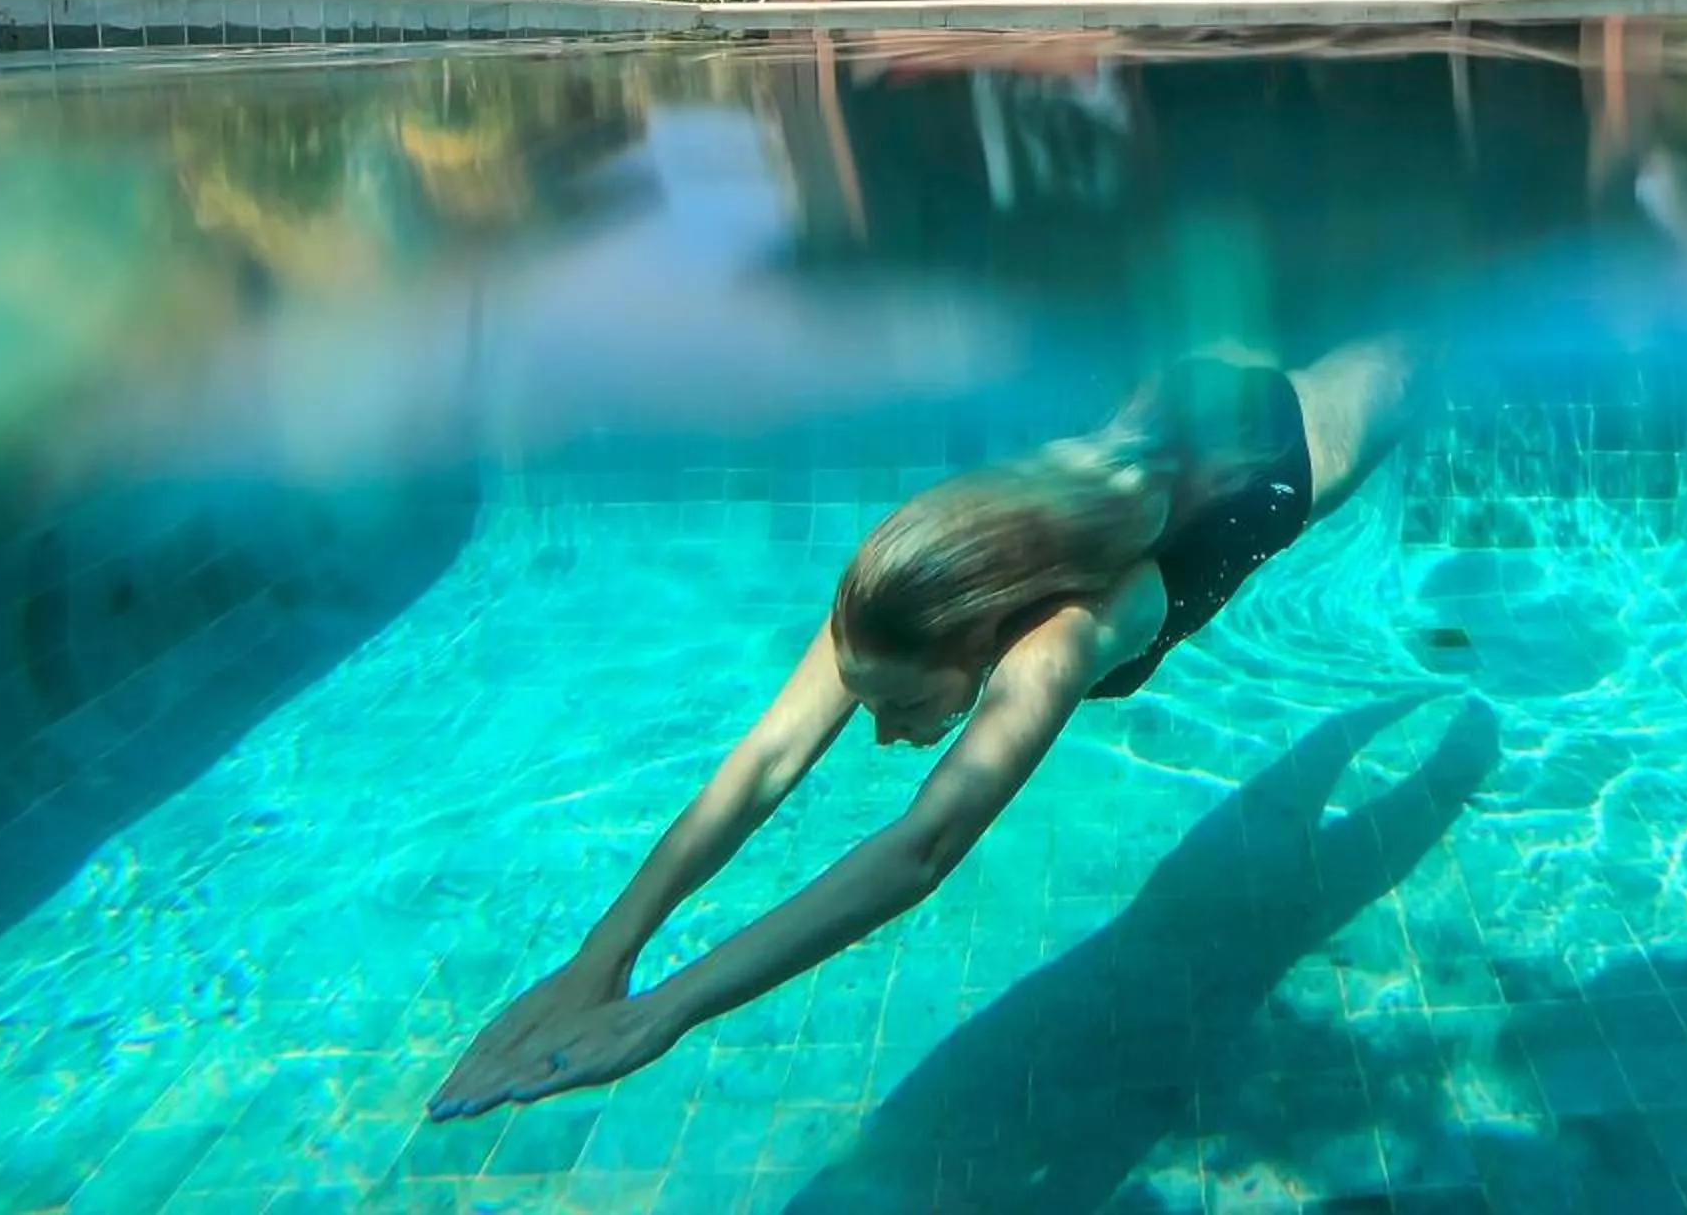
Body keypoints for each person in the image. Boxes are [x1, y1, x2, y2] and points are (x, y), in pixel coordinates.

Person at [428, 341, 1421, 1121]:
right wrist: (603, 957)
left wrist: (665, 1010)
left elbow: (922, 847)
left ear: (983, 637)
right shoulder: (901, 587)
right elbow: (770, 756)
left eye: (901, 706)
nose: (880, 729)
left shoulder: (1061, 641)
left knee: (1411, 363)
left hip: (1279, 452)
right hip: (1165, 413)